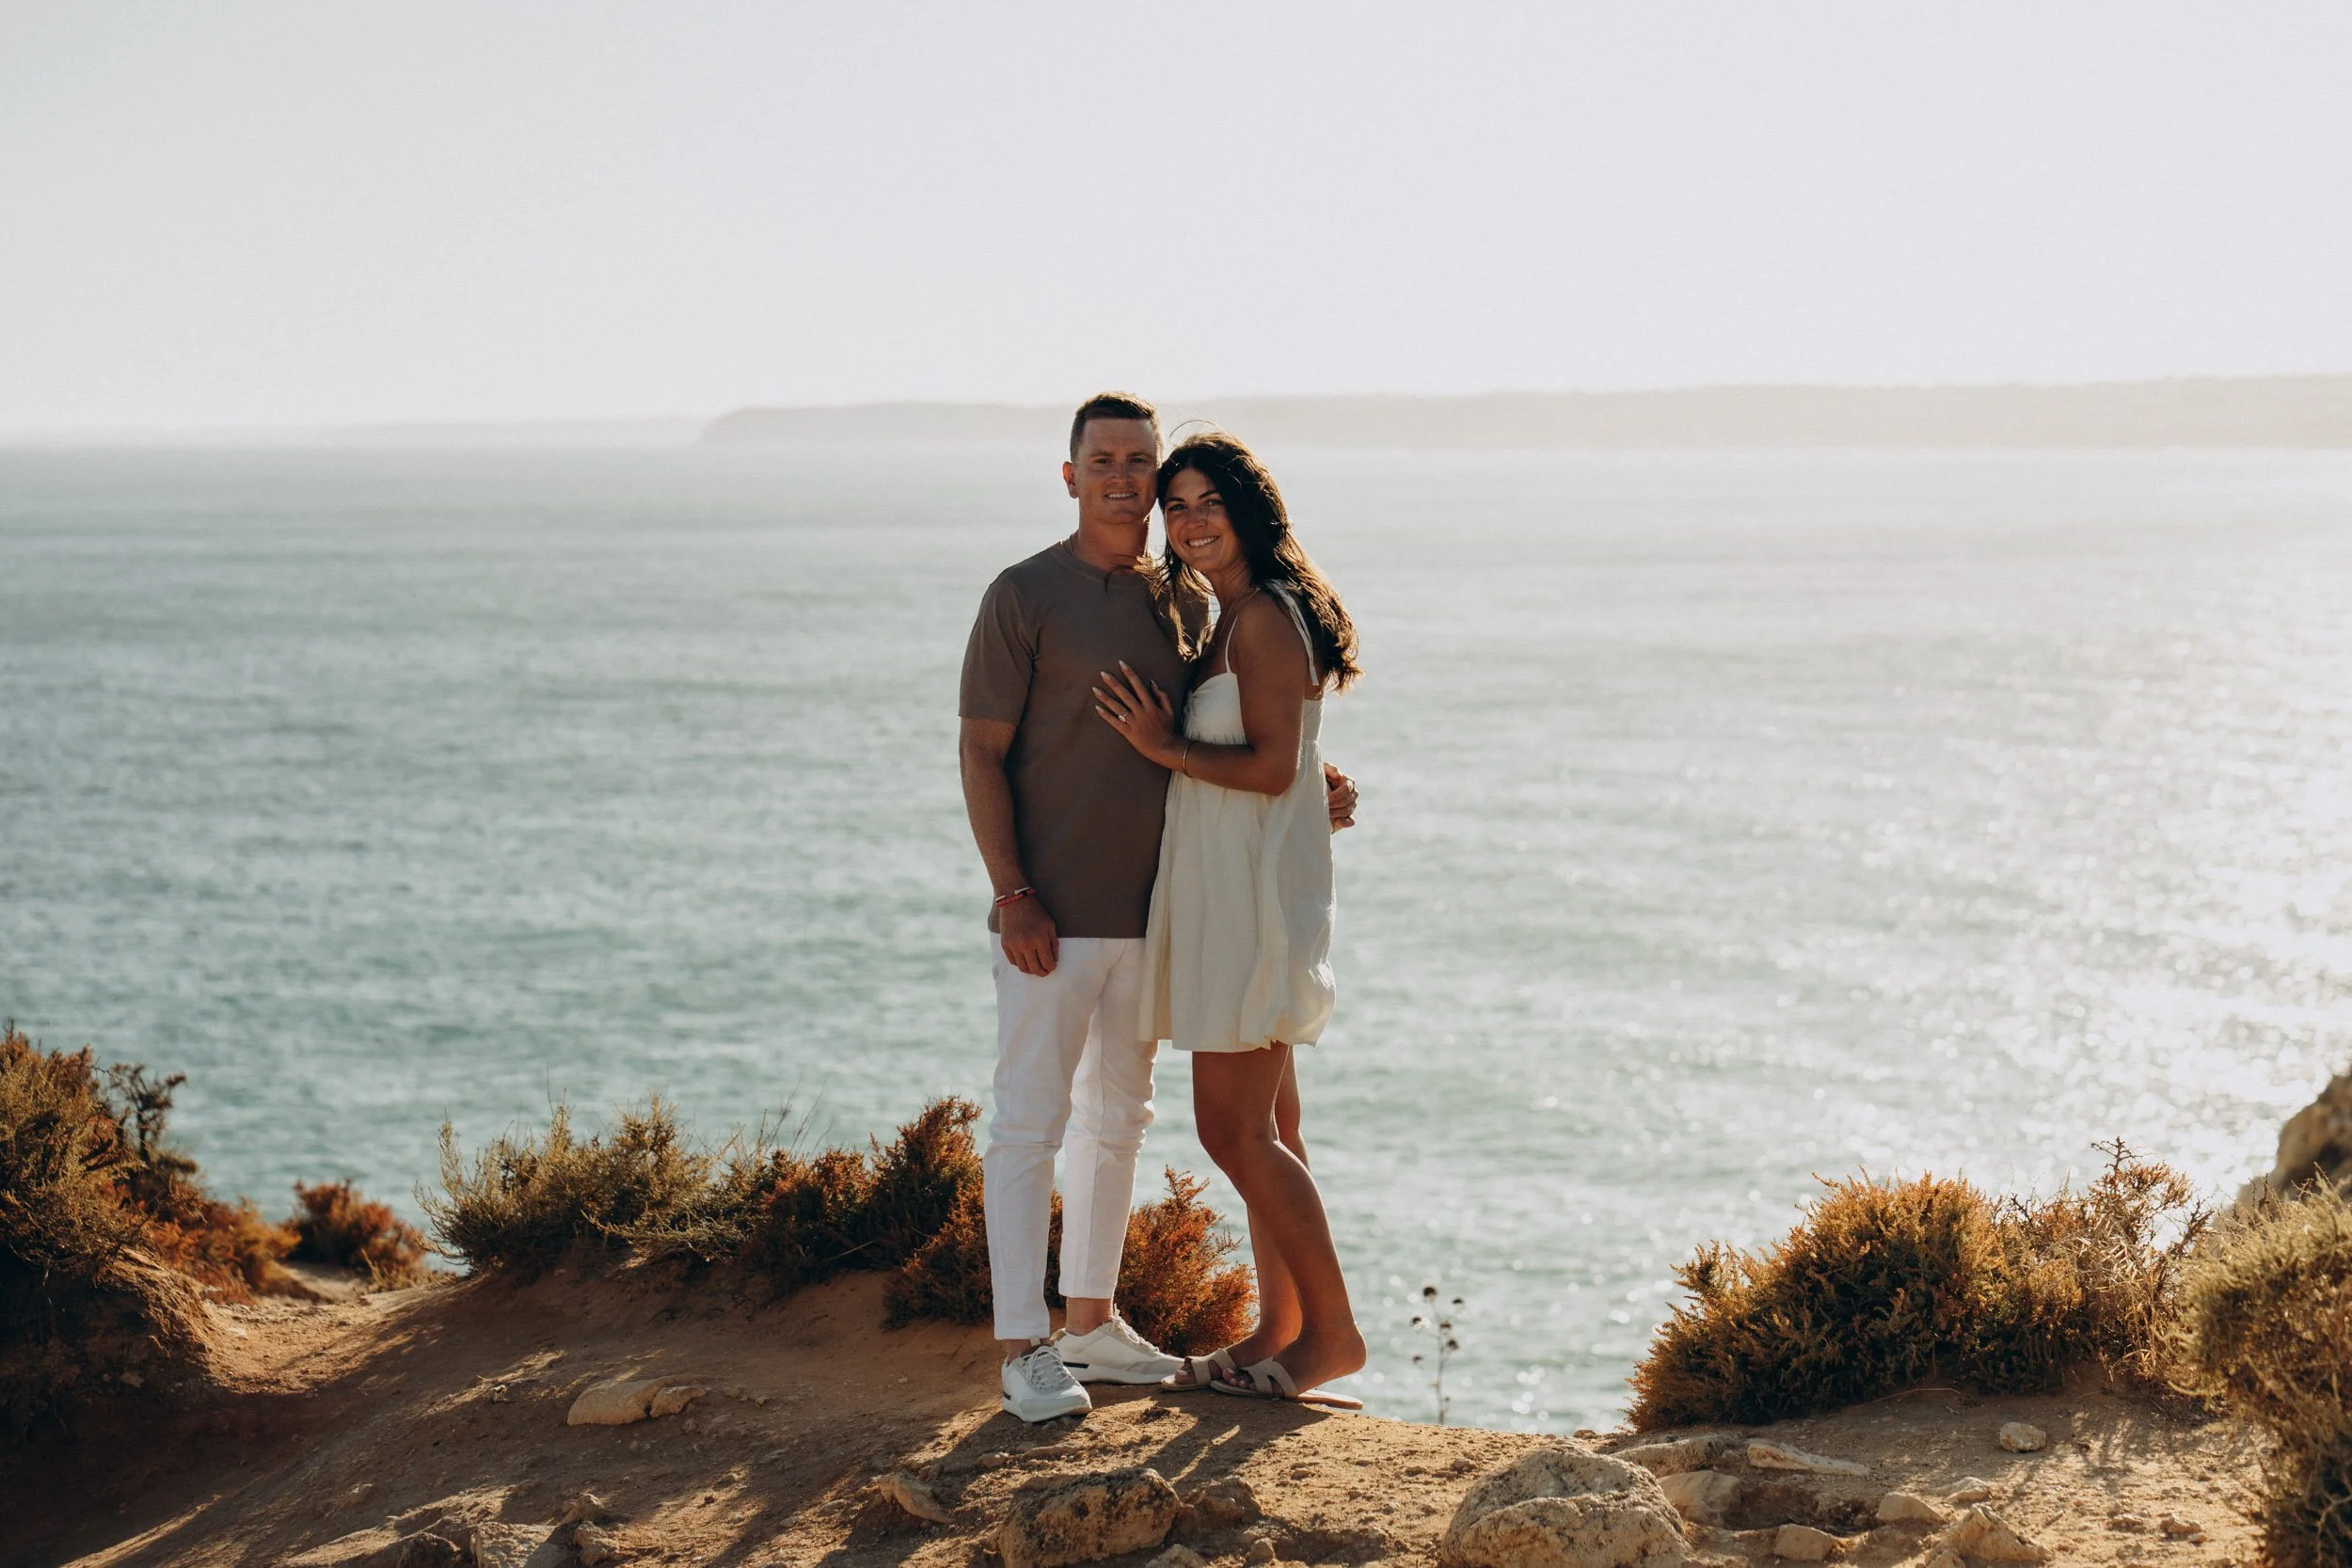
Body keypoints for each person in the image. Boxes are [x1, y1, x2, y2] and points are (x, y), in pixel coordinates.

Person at [958, 395, 1359, 1422]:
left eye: (1150, 466)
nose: (1135, 484)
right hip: (1059, 909)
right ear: (1071, 473)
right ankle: (1024, 1345)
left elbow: (1252, 739)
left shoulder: (1200, 605)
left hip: (1176, 914)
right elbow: (980, 750)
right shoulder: (1027, 593)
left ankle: (1095, 1319)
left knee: (1128, 1122)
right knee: (1031, 1124)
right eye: (1112, 462)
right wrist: (1011, 893)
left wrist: (1307, 780)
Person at [1091, 430, 1367, 1405]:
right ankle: (1281, 1329)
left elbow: (1266, 766)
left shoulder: (1260, 619)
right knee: (1274, 1123)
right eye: (1177, 505)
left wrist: (1163, 744)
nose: (1190, 519)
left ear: (1250, 506)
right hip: (1237, 889)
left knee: (1233, 1129)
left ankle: (1330, 1334)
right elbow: (1290, 766)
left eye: (1209, 500)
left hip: (1250, 902)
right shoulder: (1231, 613)